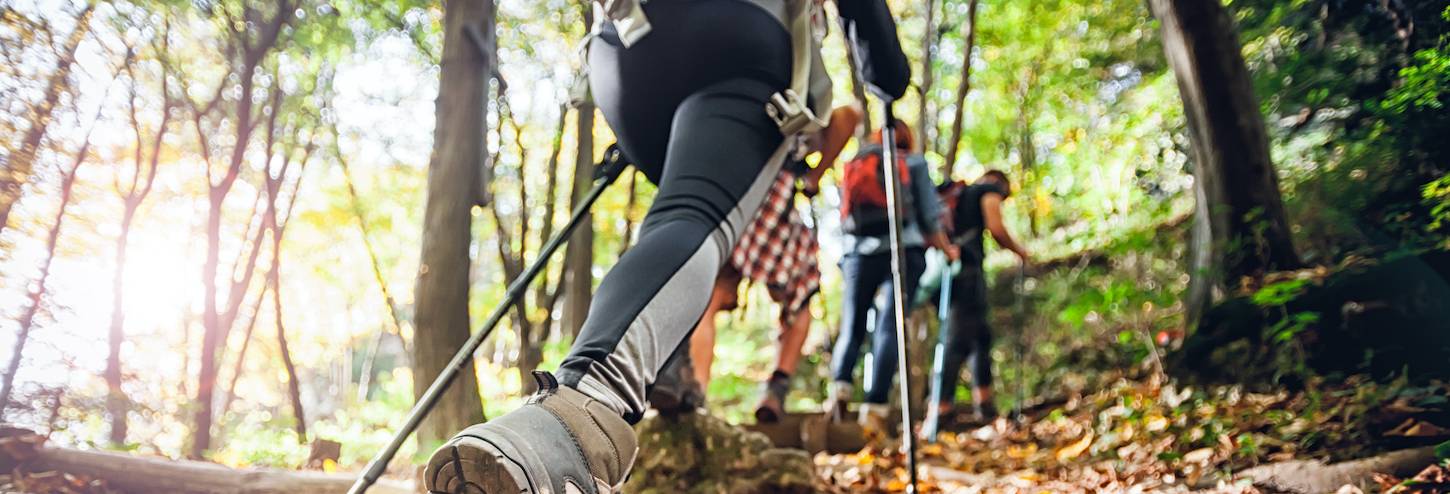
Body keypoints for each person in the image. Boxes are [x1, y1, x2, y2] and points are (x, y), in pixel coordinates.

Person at [422, 0, 910, 492]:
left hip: (622, 50)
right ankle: (578, 415)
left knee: (679, 221)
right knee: (692, 216)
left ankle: (669, 374)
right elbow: (874, 52)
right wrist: (886, 76)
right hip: (737, 37)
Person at [650, 106, 863, 423]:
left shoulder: (727, 109)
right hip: (775, 202)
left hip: (728, 197)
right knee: (800, 297)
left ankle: (694, 390)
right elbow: (851, 114)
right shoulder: (793, 103)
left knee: (709, 298)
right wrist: (814, 176)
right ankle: (775, 388)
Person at [823, 120, 959, 429]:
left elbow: (842, 219)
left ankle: (839, 389)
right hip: (903, 250)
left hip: (858, 254)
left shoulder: (858, 162)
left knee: (853, 323)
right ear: (907, 140)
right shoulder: (913, 163)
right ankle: (874, 408)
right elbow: (929, 216)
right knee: (890, 325)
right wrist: (947, 250)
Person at [920, 170, 1029, 441]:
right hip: (965, 272)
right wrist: (1020, 252)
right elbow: (996, 227)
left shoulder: (957, 196)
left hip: (950, 272)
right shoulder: (987, 189)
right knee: (955, 340)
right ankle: (939, 411)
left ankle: (985, 406)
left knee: (980, 336)